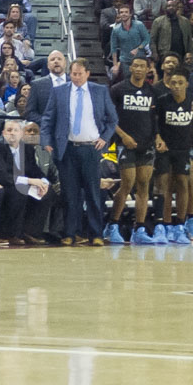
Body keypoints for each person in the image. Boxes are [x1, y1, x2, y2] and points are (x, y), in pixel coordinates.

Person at [42, 58, 118, 245]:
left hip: (91, 148)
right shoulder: (59, 91)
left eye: (79, 74)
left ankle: (96, 234)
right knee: (70, 194)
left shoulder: (100, 91)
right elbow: (48, 118)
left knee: (93, 193)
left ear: (87, 74)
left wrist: (104, 138)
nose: (75, 77)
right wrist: (47, 140)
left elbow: (112, 118)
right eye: (73, 74)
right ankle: (70, 233)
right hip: (67, 149)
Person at [107, 56, 157, 244]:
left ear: (147, 69)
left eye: (142, 66)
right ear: (131, 68)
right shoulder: (118, 89)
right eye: (135, 65)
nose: (138, 69)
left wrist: (157, 137)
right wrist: (123, 136)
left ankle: (140, 228)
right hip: (124, 143)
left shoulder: (151, 91)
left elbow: (154, 118)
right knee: (128, 183)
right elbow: (110, 118)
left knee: (144, 185)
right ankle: (113, 224)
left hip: (146, 144)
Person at [156, 71, 193, 244]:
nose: (177, 86)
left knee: (183, 184)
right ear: (168, 84)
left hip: (184, 150)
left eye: (180, 82)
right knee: (164, 186)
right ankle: (166, 225)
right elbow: (155, 124)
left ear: (187, 83)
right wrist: (158, 138)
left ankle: (180, 225)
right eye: (173, 83)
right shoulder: (162, 101)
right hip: (165, 150)